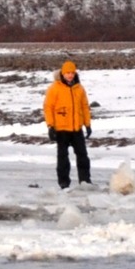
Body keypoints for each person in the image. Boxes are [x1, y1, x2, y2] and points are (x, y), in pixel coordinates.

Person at [43, 59, 93, 189]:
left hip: (77, 128)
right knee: (63, 158)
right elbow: (48, 107)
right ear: (62, 74)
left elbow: (85, 107)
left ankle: (85, 180)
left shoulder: (79, 88)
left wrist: (87, 125)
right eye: (67, 73)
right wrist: (50, 126)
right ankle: (64, 182)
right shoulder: (54, 88)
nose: (70, 75)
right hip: (61, 129)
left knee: (83, 156)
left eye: (72, 73)